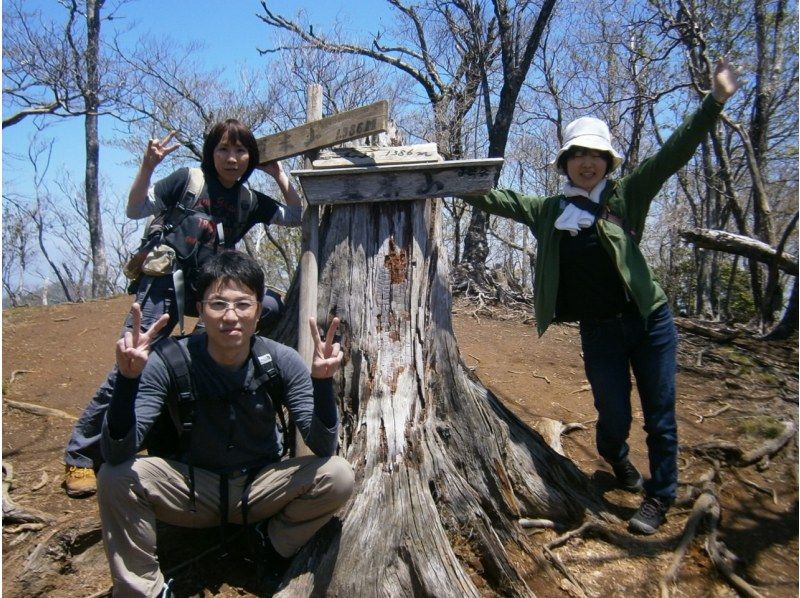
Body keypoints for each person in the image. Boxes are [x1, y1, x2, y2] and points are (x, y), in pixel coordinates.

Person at [460, 58, 740, 534]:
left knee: (660, 416)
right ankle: (617, 459)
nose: (587, 162)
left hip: (651, 323)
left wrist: (713, 101)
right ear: (566, 162)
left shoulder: (627, 195)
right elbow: (491, 197)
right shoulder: (549, 210)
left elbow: (674, 152)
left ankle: (659, 496)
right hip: (600, 331)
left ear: (607, 161)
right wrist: (438, 175)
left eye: (595, 155)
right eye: (577, 155)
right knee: (611, 414)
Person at [64, 120, 304, 497]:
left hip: (210, 292)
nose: (232, 158)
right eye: (224, 149)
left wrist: (277, 173)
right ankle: (80, 456)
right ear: (211, 151)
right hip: (165, 280)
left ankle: (195, 344)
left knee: (270, 304)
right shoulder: (188, 180)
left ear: (250, 157)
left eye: (241, 151)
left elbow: (296, 215)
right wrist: (147, 166)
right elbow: (135, 209)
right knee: (131, 358)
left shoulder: (247, 200)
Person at [97, 251, 354, 596]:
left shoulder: (281, 360)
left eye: (243, 304)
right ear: (201, 310)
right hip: (191, 491)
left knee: (338, 475)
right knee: (114, 477)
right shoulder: (169, 360)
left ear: (259, 311)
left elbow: (323, 446)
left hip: (260, 489)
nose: (231, 316)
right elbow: (117, 452)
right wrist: (127, 381)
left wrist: (322, 383)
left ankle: (271, 545)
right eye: (218, 304)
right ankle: (146, 590)